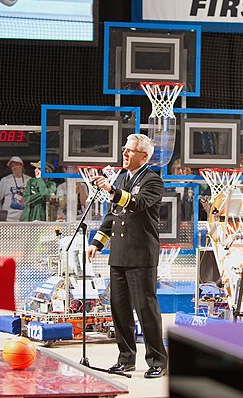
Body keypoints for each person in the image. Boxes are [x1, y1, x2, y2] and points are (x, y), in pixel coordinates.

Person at [87, 133, 168, 378]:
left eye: (130, 151)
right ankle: (126, 358)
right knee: (119, 309)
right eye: (124, 149)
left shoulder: (153, 181)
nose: (124, 153)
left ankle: (157, 361)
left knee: (146, 309)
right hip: (119, 255)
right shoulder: (122, 177)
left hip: (141, 254)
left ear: (143, 156)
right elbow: (113, 216)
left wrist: (112, 190)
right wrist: (97, 243)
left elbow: (137, 203)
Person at [0, 156, 27, 221]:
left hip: (25, 218)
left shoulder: (29, 180)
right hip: (9, 219)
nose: (14, 167)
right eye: (12, 166)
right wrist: (1, 215)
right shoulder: (5, 180)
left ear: (21, 166)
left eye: (16, 165)